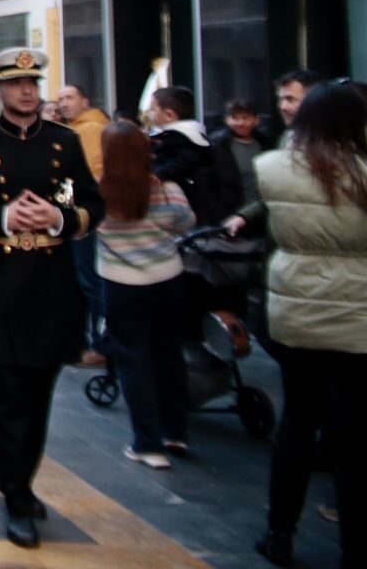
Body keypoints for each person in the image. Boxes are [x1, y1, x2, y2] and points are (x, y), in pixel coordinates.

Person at [0, 48, 103, 548]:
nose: (27, 92)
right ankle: (15, 495)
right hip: (0, 283)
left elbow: (92, 204)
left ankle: (23, 479)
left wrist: (59, 219)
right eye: (16, 84)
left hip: (53, 284)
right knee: (7, 399)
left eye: (33, 83)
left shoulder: (64, 140)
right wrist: (2, 218)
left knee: (40, 397)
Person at [234, 81, 366, 566]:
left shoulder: (272, 169)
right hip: (357, 311)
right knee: (353, 437)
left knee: (298, 419)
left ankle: (279, 533)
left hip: (294, 306)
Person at [94, 122, 195, 469]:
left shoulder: (98, 192)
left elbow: (77, 221)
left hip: (121, 284)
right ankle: (176, 432)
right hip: (167, 279)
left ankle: (148, 444)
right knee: (169, 354)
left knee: (133, 361)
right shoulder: (166, 189)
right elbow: (185, 221)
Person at [59, 83, 111, 366]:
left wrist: (68, 208)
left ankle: (104, 345)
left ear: (85, 100)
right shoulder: (79, 128)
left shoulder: (89, 129)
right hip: (83, 215)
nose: (64, 103)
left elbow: (87, 175)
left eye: (69, 98)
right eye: (60, 99)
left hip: (86, 218)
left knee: (92, 282)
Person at [147, 86, 211, 199]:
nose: (149, 114)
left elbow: (185, 161)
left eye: (152, 109)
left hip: (179, 199)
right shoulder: (166, 136)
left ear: (169, 115)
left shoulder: (185, 137)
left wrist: (160, 173)